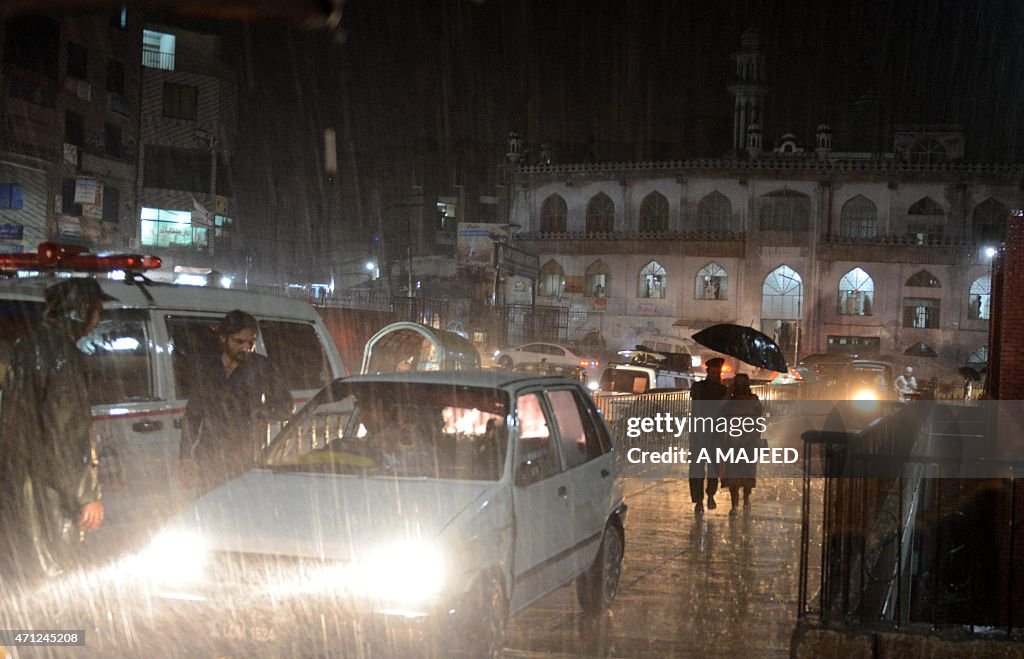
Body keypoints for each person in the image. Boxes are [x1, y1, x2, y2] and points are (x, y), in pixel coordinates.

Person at [0, 278, 113, 585]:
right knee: (52, 577)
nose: (98, 320)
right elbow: (67, 434)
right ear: (82, 310)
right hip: (49, 494)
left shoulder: (25, 347)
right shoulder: (65, 357)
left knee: (21, 576)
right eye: (97, 311)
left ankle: (24, 632)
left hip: (17, 484)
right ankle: (53, 636)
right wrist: (87, 495)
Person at [179, 310, 293, 494]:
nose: (246, 348)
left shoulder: (261, 367)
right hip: (209, 457)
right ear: (224, 338)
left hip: (245, 458)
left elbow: (286, 406)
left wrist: (262, 414)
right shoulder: (208, 368)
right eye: (239, 341)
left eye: (251, 343)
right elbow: (192, 415)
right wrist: (185, 457)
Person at [688, 357, 729, 515]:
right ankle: (698, 501)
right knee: (697, 469)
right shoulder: (699, 388)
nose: (715, 375)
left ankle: (710, 494)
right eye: (713, 372)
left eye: (717, 373)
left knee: (714, 467)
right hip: (700, 432)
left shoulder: (723, 390)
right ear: (708, 372)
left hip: (716, 434)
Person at [721, 374, 764, 515]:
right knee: (738, 471)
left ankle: (743, 500)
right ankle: (737, 503)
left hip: (745, 440)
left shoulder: (751, 400)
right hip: (737, 439)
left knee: (743, 471)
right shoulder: (732, 400)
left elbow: (758, 418)